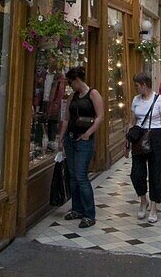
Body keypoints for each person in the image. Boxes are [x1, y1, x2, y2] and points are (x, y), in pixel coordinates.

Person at [57, 66, 104, 228]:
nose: (71, 86)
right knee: (72, 176)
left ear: (77, 80)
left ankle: (89, 214)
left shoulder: (93, 94)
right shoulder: (73, 96)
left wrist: (87, 134)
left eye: (71, 83)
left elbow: (100, 117)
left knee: (81, 176)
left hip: (84, 141)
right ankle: (76, 209)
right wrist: (61, 137)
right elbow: (66, 117)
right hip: (70, 139)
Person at [125, 72, 161, 223]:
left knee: (155, 173)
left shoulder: (159, 100)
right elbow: (132, 121)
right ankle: (143, 200)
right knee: (137, 173)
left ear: (144, 85)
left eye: (137, 86)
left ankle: (153, 206)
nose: (136, 88)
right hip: (139, 138)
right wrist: (126, 141)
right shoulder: (136, 100)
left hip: (156, 137)